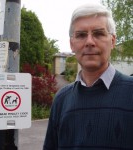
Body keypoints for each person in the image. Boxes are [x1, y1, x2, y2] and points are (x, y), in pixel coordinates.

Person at [43, 2, 133, 150]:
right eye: (81, 35)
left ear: (113, 41)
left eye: (98, 33)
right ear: (72, 44)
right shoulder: (61, 100)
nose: (89, 42)